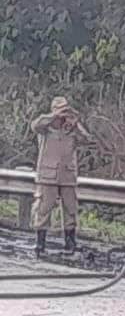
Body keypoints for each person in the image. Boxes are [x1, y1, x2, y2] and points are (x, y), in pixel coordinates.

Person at [30, 96, 94, 256]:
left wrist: (76, 124)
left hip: (67, 175)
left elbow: (87, 140)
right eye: (60, 110)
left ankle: (70, 241)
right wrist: (54, 116)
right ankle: (40, 242)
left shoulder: (71, 128)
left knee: (70, 209)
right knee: (44, 208)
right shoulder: (45, 127)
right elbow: (35, 125)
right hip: (48, 175)